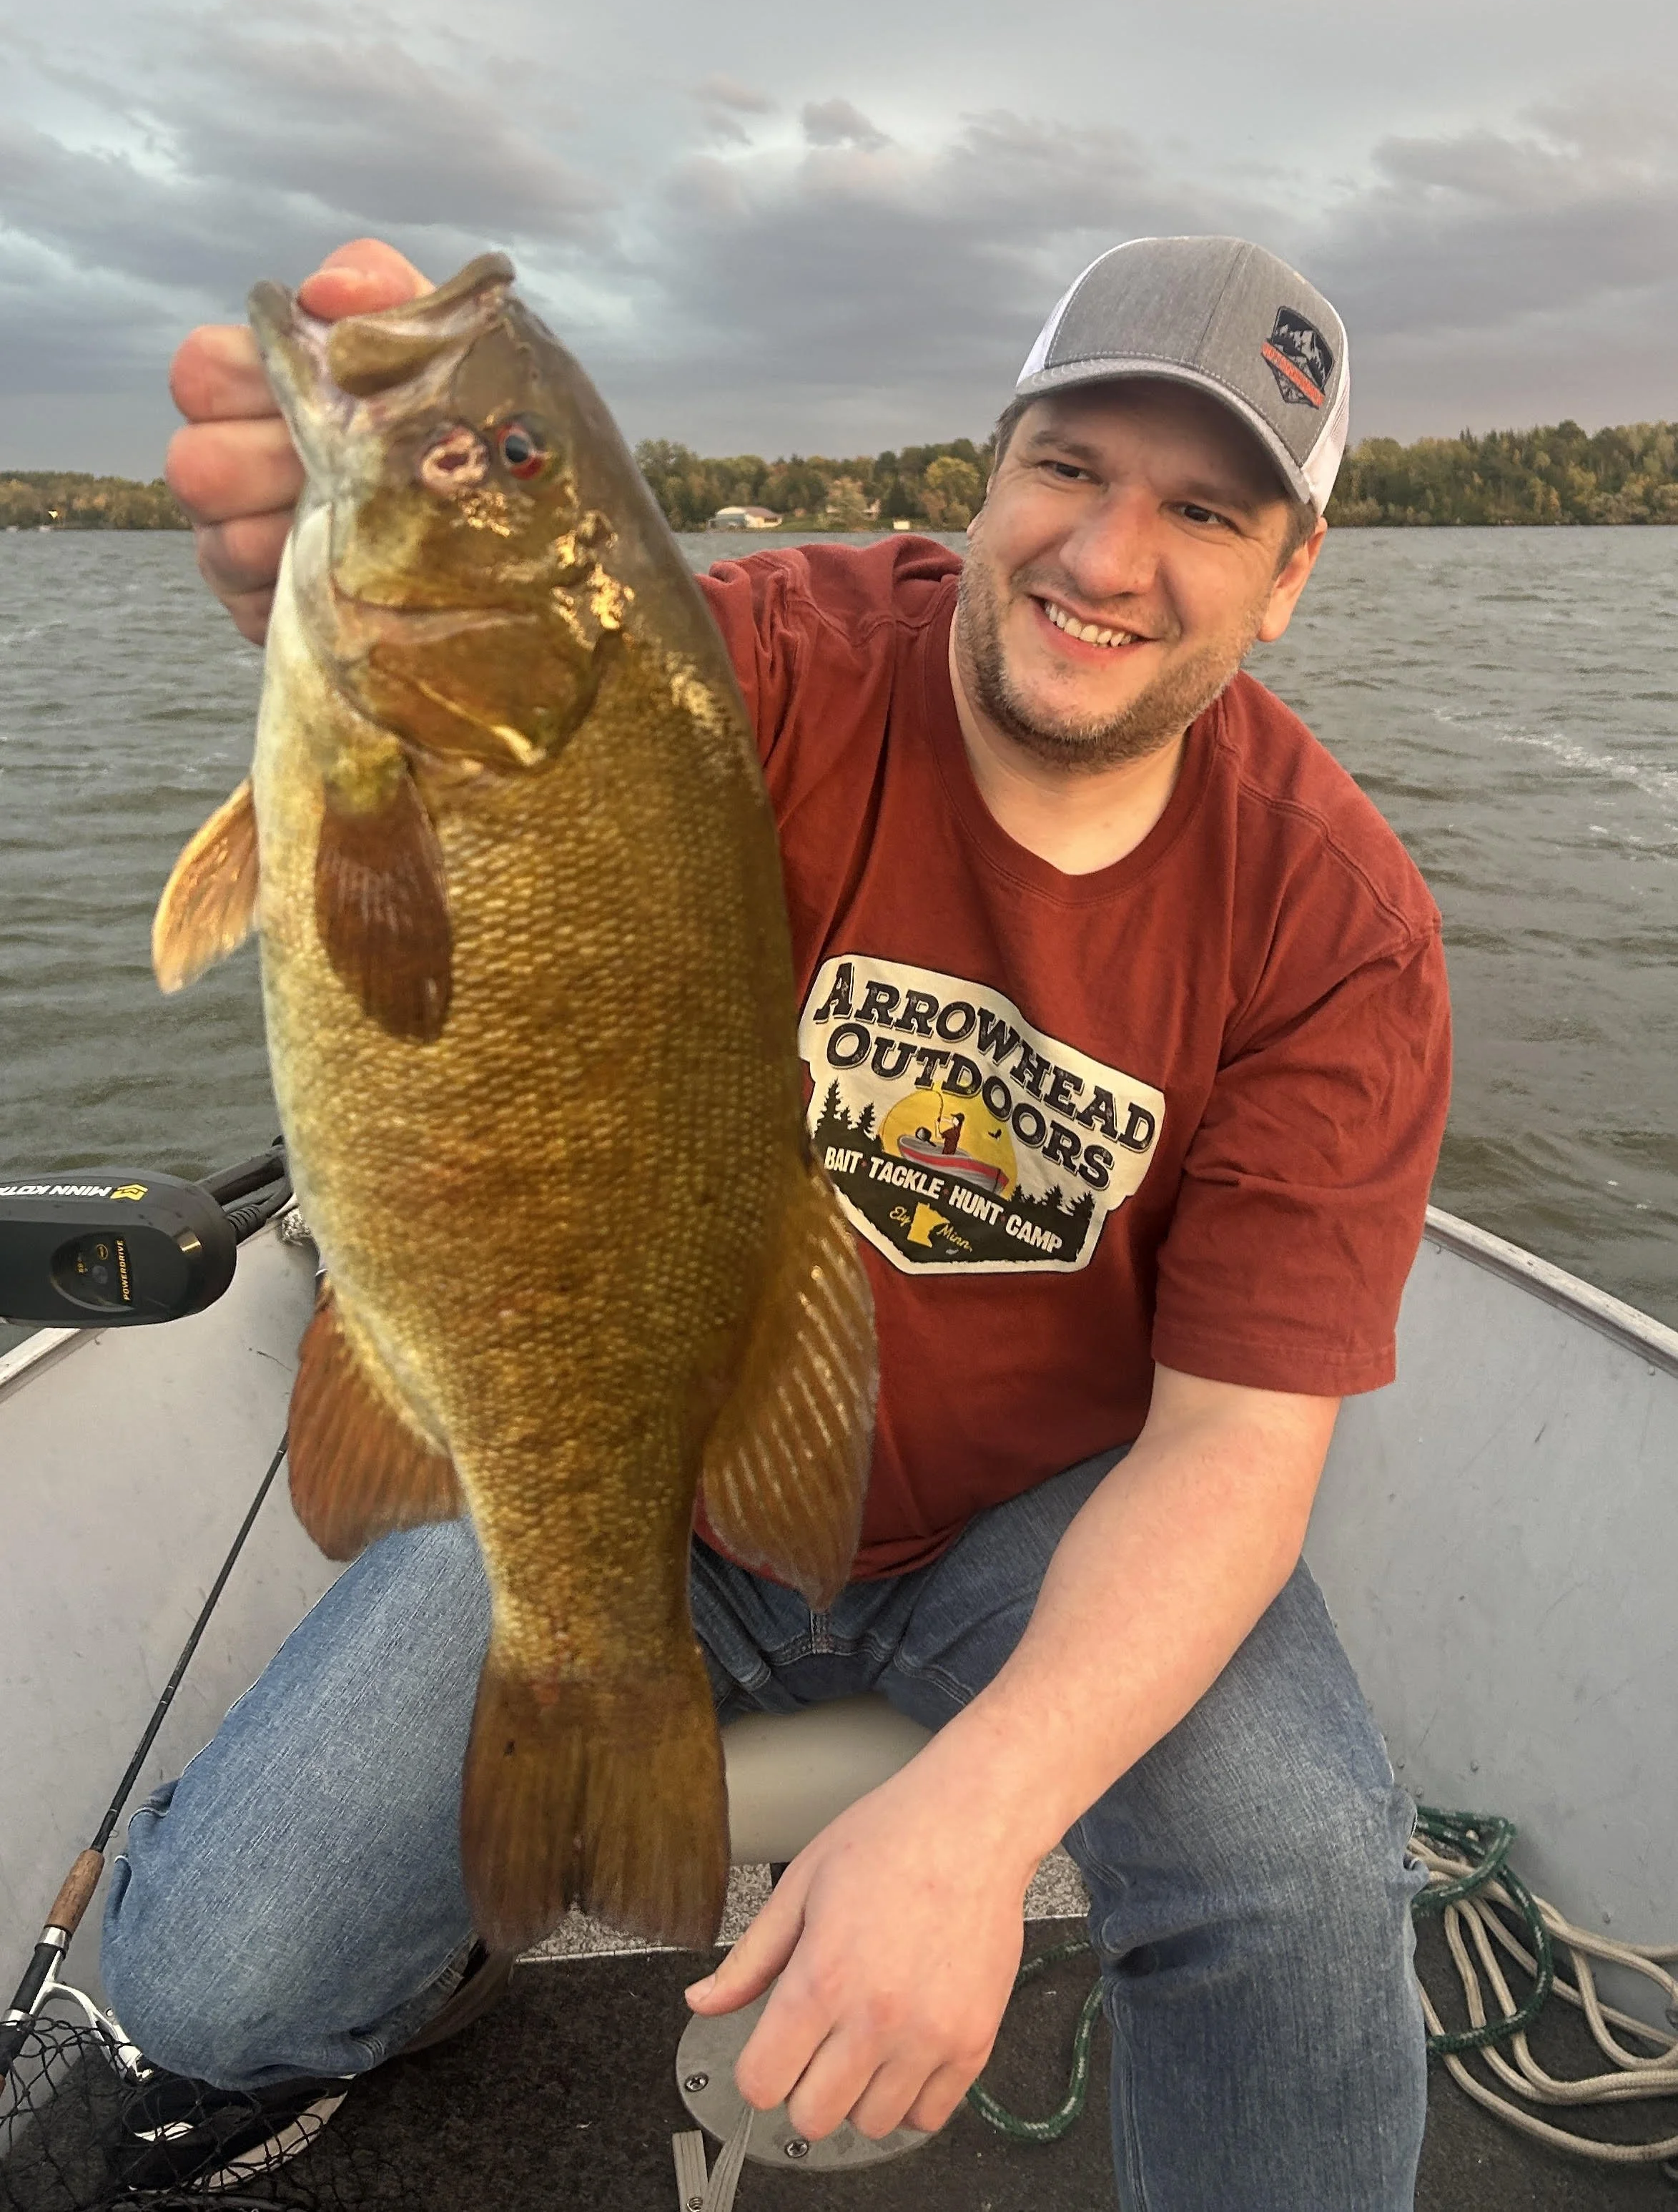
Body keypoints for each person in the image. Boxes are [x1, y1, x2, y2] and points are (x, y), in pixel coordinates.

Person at [103, 234, 1449, 2210]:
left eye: (1205, 511)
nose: (1107, 555)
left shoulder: (1338, 923)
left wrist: (979, 1823)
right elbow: (526, 730)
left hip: (1037, 1519)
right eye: (1071, 467)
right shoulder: (757, 660)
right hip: (638, 1462)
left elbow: (1240, 1448)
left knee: (1310, 1876)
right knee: (203, 1984)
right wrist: (343, 599)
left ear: (1290, 573)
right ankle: (432, 1941)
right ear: (992, 471)